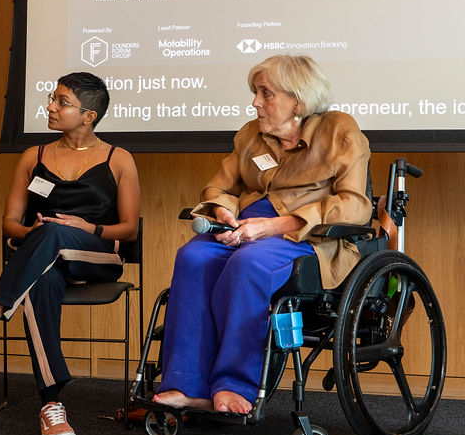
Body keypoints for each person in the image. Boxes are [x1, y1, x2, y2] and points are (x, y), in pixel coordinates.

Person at [0, 72, 140, 435]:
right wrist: (34, 232)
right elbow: (10, 224)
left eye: (61, 102)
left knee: (54, 235)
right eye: (51, 98)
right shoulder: (33, 157)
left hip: (98, 256)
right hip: (42, 257)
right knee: (42, 275)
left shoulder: (118, 159)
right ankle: (51, 406)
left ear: (89, 116)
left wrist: (85, 227)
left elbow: (129, 230)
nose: (51, 107)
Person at [153, 55, 370, 414]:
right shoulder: (251, 135)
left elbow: (354, 205)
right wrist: (223, 212)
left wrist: (273, 226)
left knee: (248, 265)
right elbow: (220, 187)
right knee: (192, 257)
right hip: (243, 228)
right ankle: (185, 382)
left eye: (265, 94)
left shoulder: (339, 132)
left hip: (304, 237)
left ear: (297, 101)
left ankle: (234, 384)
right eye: (256, 93)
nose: (255, 102)